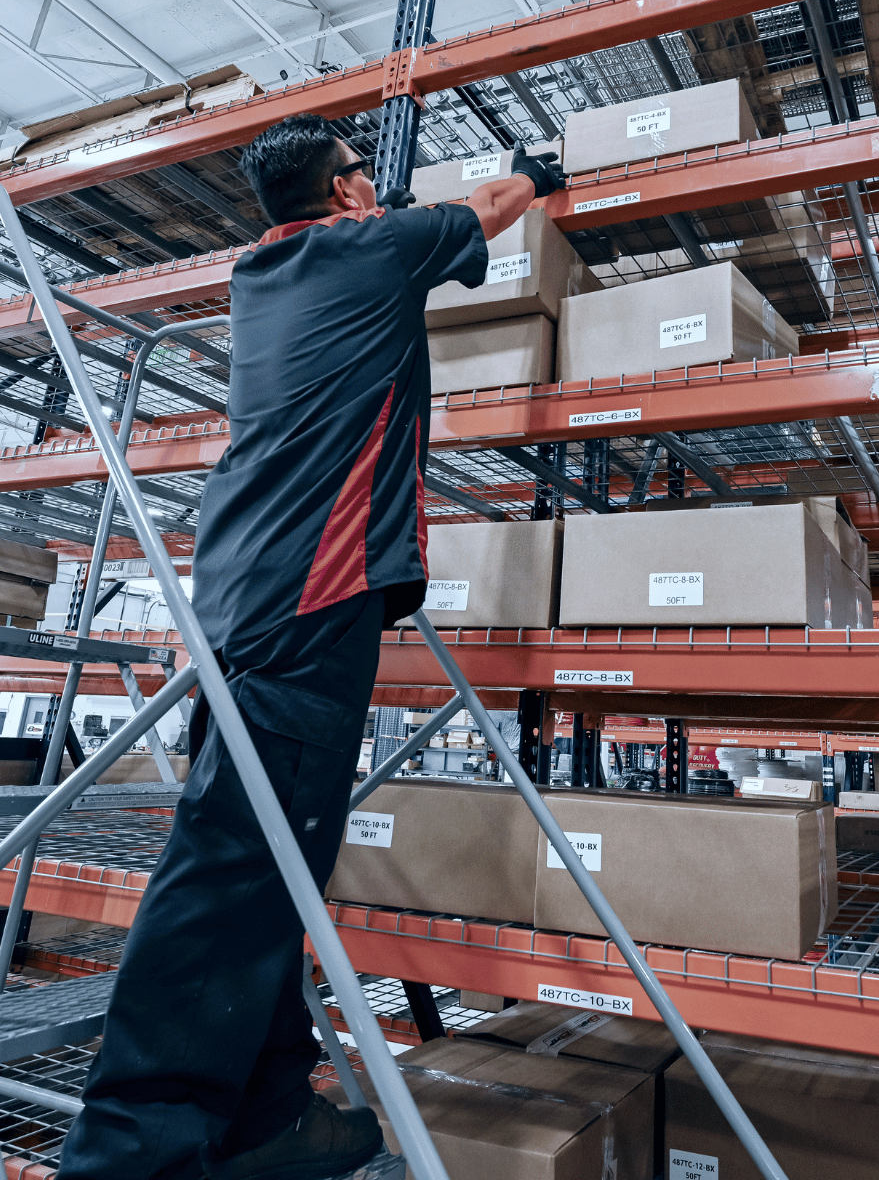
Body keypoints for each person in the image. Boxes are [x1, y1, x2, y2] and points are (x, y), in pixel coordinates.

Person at [60, 115, 563, 1180]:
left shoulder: (263, 277)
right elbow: (483, 213)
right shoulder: (364, 247)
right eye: (362, 176)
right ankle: (132, 1153)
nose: (373, 190)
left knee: (278, 865)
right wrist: (534, 173)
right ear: (341, 195)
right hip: (309, 601)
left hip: (249, 598)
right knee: (232, 869)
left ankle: (266, 1117)